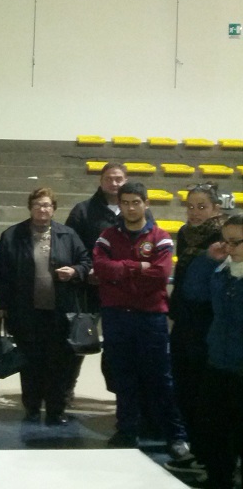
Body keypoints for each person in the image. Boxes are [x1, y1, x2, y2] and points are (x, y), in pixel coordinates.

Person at [92, 181, 190, 459]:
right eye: (125, 203)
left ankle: (176, 436)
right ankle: (127, 430)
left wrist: (119, 271)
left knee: (160, 379)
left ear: (146, 204)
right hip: (116, 316)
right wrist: (136, 267)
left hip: (150, 318)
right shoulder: (107, 236)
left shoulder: (160, 237)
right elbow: (100, 267)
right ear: (119, 205)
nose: (131, 208)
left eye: (136, 202)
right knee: (123, 376)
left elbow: (160, 274)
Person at [0, 188, 91, 426]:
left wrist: (75, 271)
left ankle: (56, 411)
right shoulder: (12, 235)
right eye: (37, 204)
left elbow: (86, 262)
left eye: (47, 205)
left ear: (54, 209)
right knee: (30, 364)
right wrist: (1, 303)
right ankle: (32, 409)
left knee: (58, 365)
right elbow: (2, 274)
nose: (42, 209)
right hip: (25, 312)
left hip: (59, 313)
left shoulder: (68, 235)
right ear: (30, 207)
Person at [165, 183, 224, 480]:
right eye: (190, 206)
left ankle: (208, 454)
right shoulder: (184, 234)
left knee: (204, 391)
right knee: (183, 384)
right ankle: (194, 449)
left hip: (208, 321)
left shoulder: (223, 237)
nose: (195, 212)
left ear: (215, 209)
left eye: (202, 207)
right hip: (184, 320)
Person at [183, 214, 243, 489]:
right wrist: (207, 259)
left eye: (235, 242)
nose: (228, 248)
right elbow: (193, 292)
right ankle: (219, 478)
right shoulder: (222, 270)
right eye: (225, 241)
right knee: (215, 428)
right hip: (218, 360)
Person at [64, 162, 127, 394]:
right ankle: (65, 389)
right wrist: (88, 269)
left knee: (118, 345)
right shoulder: (82, 211)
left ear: (126, 181)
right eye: (109, 178)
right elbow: (70, 247)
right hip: (87, 290)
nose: (114, 183)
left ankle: (120, 394)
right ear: (101, 181)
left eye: (118, 179)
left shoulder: (136, 210)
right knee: (77, 341)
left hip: (122, 291)